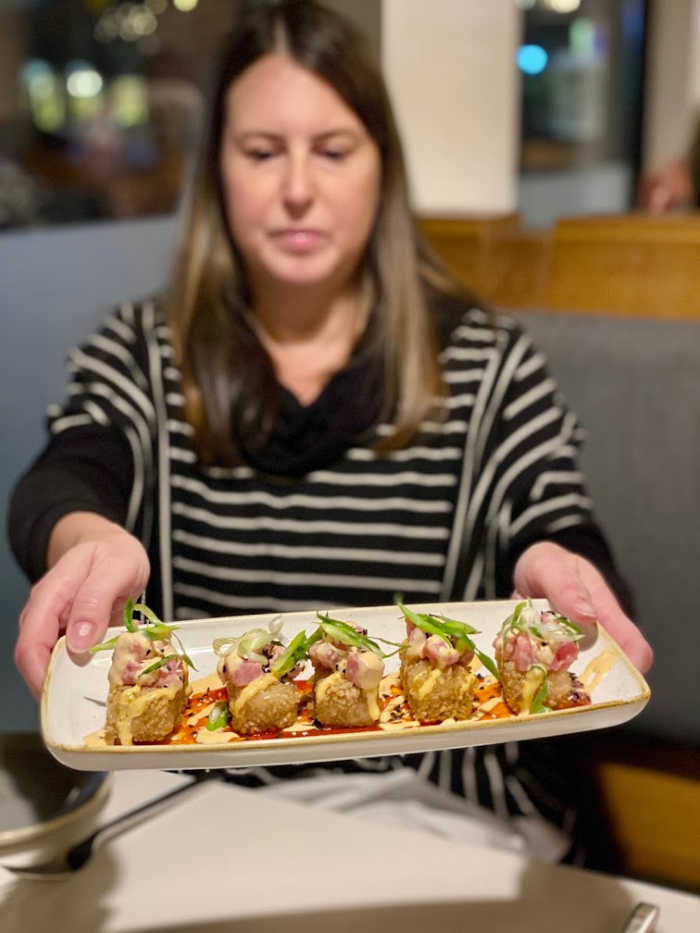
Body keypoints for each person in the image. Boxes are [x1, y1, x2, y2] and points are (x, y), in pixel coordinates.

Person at [8, 0, 651, 862]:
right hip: (196, 808)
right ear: (218, 173)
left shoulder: (488, 364)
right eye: (261, 152)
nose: (298, 187)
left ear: (382, 169)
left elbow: (553, 514)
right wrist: (80, 538)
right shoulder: (144, 351)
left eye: (334, 150)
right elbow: (73, 465)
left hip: (449, 811)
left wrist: (565, 570)